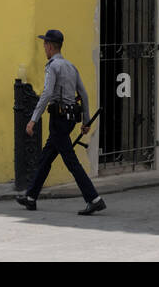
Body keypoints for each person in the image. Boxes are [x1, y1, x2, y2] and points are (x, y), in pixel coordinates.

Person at [15, 30, 106, 216]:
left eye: (44, 46)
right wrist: (86, 121)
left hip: (58, 119)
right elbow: (84, 95)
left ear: (49, 46)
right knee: (46, 157)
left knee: (71, 162)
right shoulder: (71, 67)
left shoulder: (52, 66)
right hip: (71, 118)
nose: (44, 49)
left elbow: (47, 93)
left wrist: (33, 119)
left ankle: (94, 199)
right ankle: (31, 197)